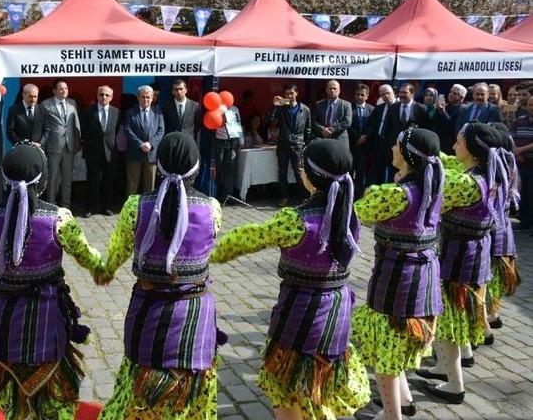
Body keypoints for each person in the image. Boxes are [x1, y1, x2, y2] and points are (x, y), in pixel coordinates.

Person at [210, 139, 369, 420]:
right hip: (337, 313)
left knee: (287, 388)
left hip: (301, 316)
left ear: (310, 175)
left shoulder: (296, 220)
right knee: (320, 389)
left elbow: (250, 237)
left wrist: (213, 250)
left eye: (302, 166)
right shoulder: (349, 214)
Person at [98, 132, 224, 419]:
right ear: (197, 166)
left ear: (160, 163)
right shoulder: (212, 208)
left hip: (147, 310)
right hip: (194, 314)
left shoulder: (135, 206)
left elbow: (116, 253)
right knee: (191, 394)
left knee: (138, 389)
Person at [0, 142, 104, 420]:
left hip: (4, 319)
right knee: (53, 399)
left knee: (14, 400)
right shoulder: (59, 219)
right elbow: (89, 258)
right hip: (45, 320)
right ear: (44, 180)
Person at [351, 128, 445, 420]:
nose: (392, 148)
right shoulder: (433, 184)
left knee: (386, 353)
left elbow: (352, 216)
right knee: (397, 346)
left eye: (396, 145)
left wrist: (369, 192)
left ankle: (392, 415)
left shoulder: (397, 195)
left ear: (406, 155)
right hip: (425, 277)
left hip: (397, 281)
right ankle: (404, 402)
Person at [415, 122, 502, 404]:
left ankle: (455, 386)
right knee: (458, 314)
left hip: (460, 255)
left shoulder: (465, 183)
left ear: (472, 148)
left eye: (458, 142)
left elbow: (431, 202)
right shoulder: (488, 172)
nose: (454, 146)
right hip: (475, 252)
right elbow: (447, 159)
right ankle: (446, 366)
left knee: (450, 319)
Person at [483, 123, 520, 335]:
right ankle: (493, 315)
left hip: (494, 231)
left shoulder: (494, 167)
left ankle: (487, 323)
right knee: (493, 276)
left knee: (488, 276)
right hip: (503, 229)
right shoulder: (508, 162)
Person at [33, 79, 80, 208]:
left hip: (69, 147)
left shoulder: (72, 103)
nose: (64, 91)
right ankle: (51, 205)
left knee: (67, 178)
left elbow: (76, 125)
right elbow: (41, 125)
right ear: (54, 91)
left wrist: (77, 143)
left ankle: (66, 205)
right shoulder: (45, 104)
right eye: (61, 88)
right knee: (52, 178)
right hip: (53, 146)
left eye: (66, 88)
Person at [81, 85, 120, 217]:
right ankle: (90, 207)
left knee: (109, 181)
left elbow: (116, 130)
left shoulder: (117, 112)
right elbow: (84, 131)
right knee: (92, 180)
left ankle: (107, 206)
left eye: (107, 95)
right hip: (93, 152)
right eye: (101, 94)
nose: (104, 97)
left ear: (111, 97)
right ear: (97, 96)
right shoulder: (88, 111)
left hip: (110, 151)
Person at [269, 84, 311, 207]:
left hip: (298, 144)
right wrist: (275, 106)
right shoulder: (282, 108)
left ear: (296, 93)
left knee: (299, 172)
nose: (289, 96)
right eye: (287, 93)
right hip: (283, 143)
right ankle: (284, 197)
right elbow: (271, 120)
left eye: (291, 93)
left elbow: (308, 129)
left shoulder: (305, 109)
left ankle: (303, 196)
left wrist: (306, 144)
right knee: (282, 172)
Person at [124, 85, 164, 195]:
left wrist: (151, 144)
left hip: (151, 154)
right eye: (143, 97)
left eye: (148, 97)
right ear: (138, 97)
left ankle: (147, 209)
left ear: (152, 98)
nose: (145, 99)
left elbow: (161, 131)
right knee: (132, 185)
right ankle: (131, 210)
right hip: (134, 153)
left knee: (150, 186)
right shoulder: (130, 112)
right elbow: (127, 130)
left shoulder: (158, 113)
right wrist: (140, 144)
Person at [213, 96, 244, 201]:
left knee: (230, 169)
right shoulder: (215, 108)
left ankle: (227, 195)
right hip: (219, 141)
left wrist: (241, 141)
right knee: (219, 169)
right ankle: (217, 194)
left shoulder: (234, 109)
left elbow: (238, 125)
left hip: (232, 142)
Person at [511, 88, 533, 231]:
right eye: (530, 105)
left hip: (531, 163)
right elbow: (511, 135)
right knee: (523, 193)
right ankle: (524, 222)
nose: (532, 107)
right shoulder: (520, 120)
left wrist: (521, 150)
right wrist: (516, 152)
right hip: (520, 163)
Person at [368, 84, 399, 184]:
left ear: (393, 93)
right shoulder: (379, 108)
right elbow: (373, 125)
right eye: (383, 94)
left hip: (393, 144)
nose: (386, 96)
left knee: (392, 172)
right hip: (379, 143)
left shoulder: (400, 107)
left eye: (388, 93)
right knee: (376, 172)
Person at [312, 79, 352, 147]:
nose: (332, 90)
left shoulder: (346, 104)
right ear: (326, 90)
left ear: (339, 91)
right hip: (323, 138)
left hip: (340, 140)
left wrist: (332, 130)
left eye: (335, 88)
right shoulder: (318, 104)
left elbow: (347, 122)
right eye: (330, 88)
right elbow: (313, 121)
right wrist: (322, 130)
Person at [350, 84, 374, 198]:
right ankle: (348, 194)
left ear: (367, 96)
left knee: (361, 173)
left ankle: (359, 196)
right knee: (349, 172)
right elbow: (348, 125)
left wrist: (364, 137)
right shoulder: (349, 107)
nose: (360, 97)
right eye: (358, 94)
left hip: (364, 147)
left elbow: (373, 126)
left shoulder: (372, 109)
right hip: (351, 145)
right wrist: (357, 137)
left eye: (362, 95)